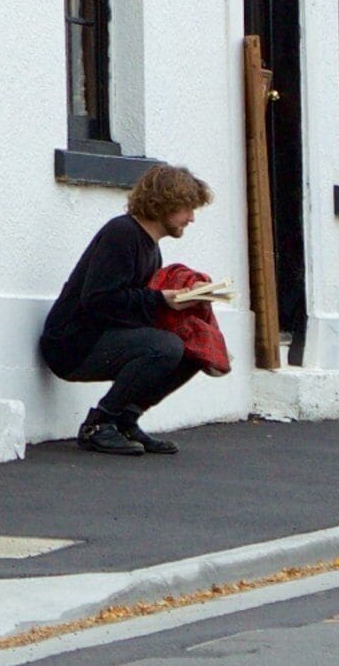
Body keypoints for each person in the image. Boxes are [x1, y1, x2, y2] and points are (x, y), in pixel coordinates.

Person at [39, 163, 227, 456]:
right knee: (166, 346)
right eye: (187, 208)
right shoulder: (122, 234)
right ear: (165, 203)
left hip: (100, 338)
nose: (191, 218)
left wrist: (181, 304)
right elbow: (99, 300)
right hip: (72, 343)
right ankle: (99, 424)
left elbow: (129, 305)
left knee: (195, 348)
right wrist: (160, 300)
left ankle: (125, 421)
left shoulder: (150, 246)